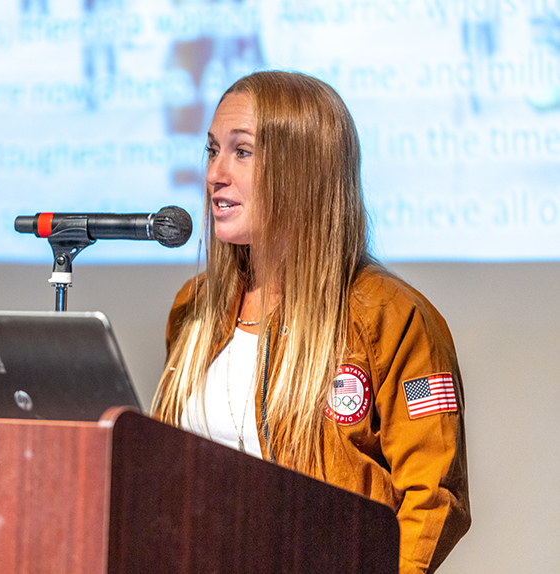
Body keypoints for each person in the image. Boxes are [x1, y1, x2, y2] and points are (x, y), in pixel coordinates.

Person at [152, 71, 471, 574]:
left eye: (242, 152)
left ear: (302, 170)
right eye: (212, 150)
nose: (215, 173)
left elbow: (432, 497)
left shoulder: (393, 319)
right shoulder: (193, 310)